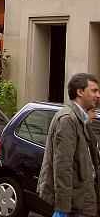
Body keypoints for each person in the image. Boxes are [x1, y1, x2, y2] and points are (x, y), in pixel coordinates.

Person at [38, 73, 100, 217]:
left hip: (82, 200)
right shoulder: (67, 119)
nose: (97, 95)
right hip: (75, 205)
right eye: (94, 90)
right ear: (80, 92)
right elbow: (63, 166)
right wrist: (63, 207)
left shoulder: (80, 120)